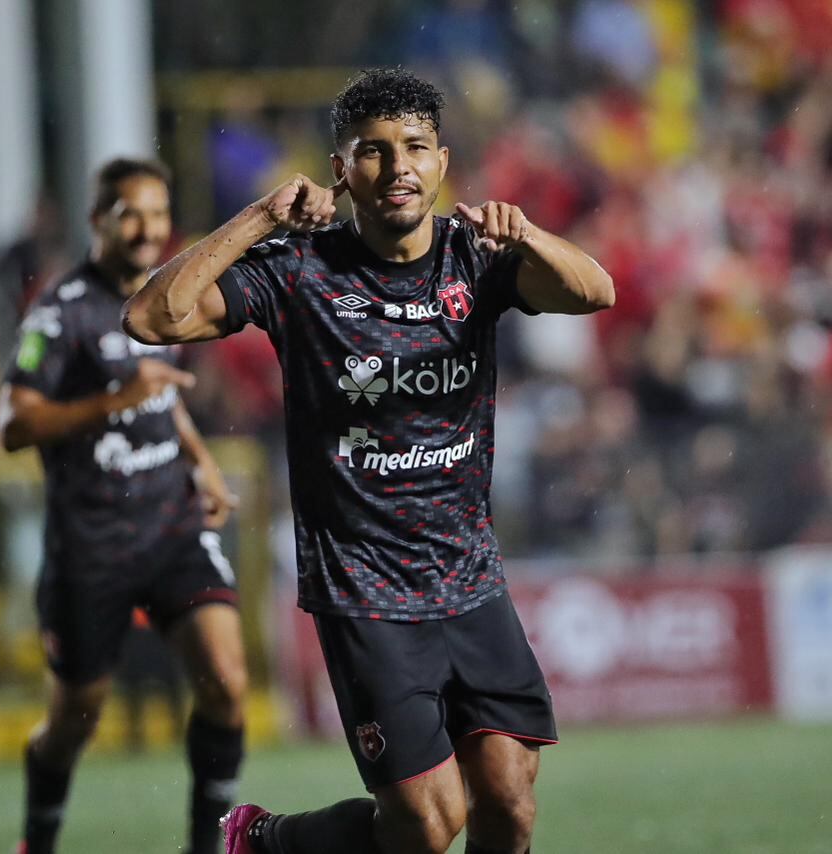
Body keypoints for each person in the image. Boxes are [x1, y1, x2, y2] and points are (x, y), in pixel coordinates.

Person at [124, 67, 615, 854]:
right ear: (341, 171)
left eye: (415, 148)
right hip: (365, 589)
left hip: (470, 579)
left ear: (443, 162)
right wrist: (257, 218)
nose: (398, 169)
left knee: (510, 804)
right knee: (427, 823)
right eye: (373, 152)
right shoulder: (301, 268)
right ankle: (266, 842)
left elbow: (595, 292)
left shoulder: (474, 258)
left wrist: (525, 234)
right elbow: (153, 315)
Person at [0, 158, 249, 854]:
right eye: (130, 213)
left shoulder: (168, 294)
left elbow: (160, 396)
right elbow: (13, 426)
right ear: (97, 221)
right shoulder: (60, 309)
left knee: (227, 680)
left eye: (159, 213)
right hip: (93, 545)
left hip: (172, 527)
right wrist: (113, 401)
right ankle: (37, 840)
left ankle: (208, 844)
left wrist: (202, 465)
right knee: (76, 720)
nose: (148, 229)